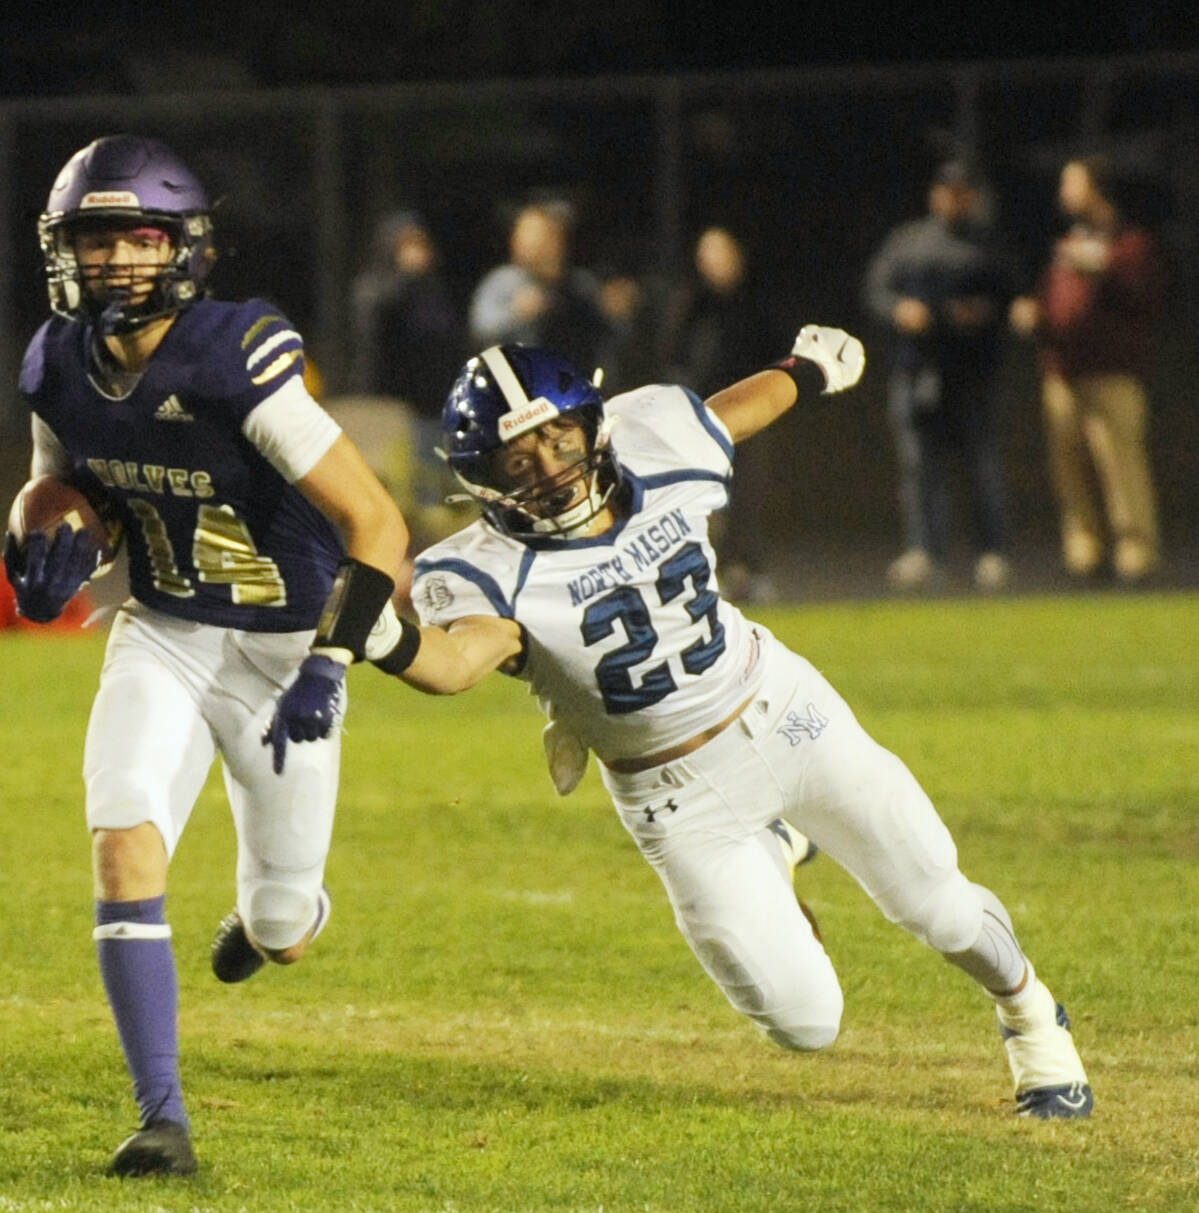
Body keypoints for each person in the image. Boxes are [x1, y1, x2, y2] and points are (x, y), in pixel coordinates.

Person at [311, 332, 1094, 1120]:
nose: (549, 466)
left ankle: (1030, 1015)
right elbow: (455, 664)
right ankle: (773, 851)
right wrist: (385, 638)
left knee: (938, 905)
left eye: (557, 437)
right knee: (805, 1022)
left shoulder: (655, 439)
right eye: (519, 458)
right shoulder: (476, 569)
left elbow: (730, 414)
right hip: (675, 793)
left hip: (784, 712)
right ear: (485, 477)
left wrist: (803, 371)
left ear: (590, 422)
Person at [4, 135, 409, 1177]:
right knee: (121, 837)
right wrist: (40, 552)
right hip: (167, 629)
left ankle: (271, 921)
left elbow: (376, 523)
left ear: (183, 248)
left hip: (283, 654)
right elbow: (58, 486)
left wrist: (331, 663)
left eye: (137, 239)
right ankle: (162, 1118)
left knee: (284, 928)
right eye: (95, 241)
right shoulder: (56, 360)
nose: (114, 264)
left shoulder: (237, 356)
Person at [863, 160, 1021, 593]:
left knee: (981, 465)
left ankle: (991, 554)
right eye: (947, 190)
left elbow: (1013, 300)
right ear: (935, 194)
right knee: (919, 468)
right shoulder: (909, 242)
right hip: (918, 371)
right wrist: (899, 311)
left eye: (963, 191)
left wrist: (985, 314)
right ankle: (924, 553)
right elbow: (876, 291)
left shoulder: (989, 245)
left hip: (971, 374)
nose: (954, 199)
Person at [1010, 155, 1166, 583]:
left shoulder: (1129, 243)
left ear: (1096, 188)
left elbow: (1145, 295)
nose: (1064, 193)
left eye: (1071, 184)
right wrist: (1036, 313)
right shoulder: (1069, 242)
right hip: (1063, 372)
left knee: (1119, 465)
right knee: (1070, 470)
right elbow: (1056, 299)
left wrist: (1103, 267)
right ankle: (1085, 551)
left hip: (1113, 373)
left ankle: (1136, 553)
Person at [655, 226, 781, 601]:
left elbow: (774, 352)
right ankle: (708, 574)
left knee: (747, 496)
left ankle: (750, 571)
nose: (717, 262)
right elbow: (671, 354)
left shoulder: (754, 301)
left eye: (723, 253)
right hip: (701, 416)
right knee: (704, 499)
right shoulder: (689, 302)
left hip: (748, 414)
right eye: (709, 253)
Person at [348, 210, 466, 530]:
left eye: (420, 244)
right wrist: (405, 278)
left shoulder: (435, 290)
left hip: (436, 400)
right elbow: (376, 330)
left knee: (434, 480)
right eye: (406, 244)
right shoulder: (377, 285)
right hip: (393, 404)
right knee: (401, 482)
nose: (417, 252)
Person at [469, 199, 623, 374]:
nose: (538, 246)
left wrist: (616, 312)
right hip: (518, 382)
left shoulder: (579, 284)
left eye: (548, 236)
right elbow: (481, 328)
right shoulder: (504, 281)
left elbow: (606, 334)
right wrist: (517, 312)